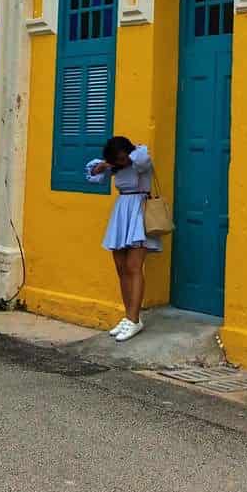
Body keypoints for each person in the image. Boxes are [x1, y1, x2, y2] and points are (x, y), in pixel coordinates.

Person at [86, 136, 160, 342]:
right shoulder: (117, 166)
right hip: (121, 212)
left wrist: (130, 151)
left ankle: (134, 319)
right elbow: (91, 174)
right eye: (117, 160)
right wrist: (105, 165)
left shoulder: (140, 159)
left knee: (134, 267)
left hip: (139, 211)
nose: (121, 163)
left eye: (122, 158)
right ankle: (129, 317)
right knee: (121, 267)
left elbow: (142, 158)